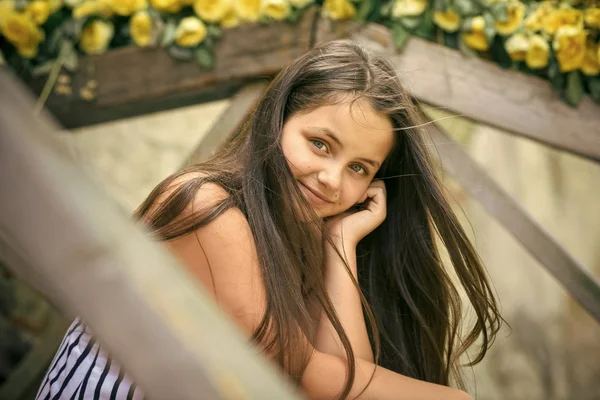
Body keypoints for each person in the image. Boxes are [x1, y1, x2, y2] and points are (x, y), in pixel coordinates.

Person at [36, 40, 502, 400]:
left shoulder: (299, 239)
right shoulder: (206, 204)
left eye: (359, 168)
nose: (332, 178)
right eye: (320, 143)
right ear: (276, 120)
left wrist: (341, 243)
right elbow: (302, 373)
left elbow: (344, 377)